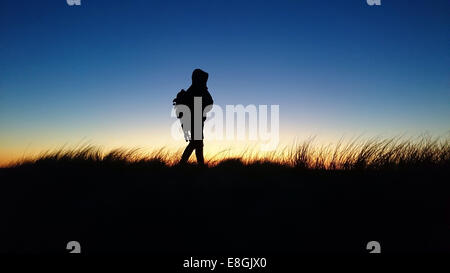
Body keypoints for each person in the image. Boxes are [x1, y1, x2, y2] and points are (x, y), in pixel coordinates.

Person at [179, 69, 213, 165]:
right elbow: (209, 102)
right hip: (195, 120)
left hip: (195, 119)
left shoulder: (193, 89)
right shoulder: (197, 89)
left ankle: (199, 164)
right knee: (196, 142)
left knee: (198, 143)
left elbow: (208, 103)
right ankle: (184, 163)